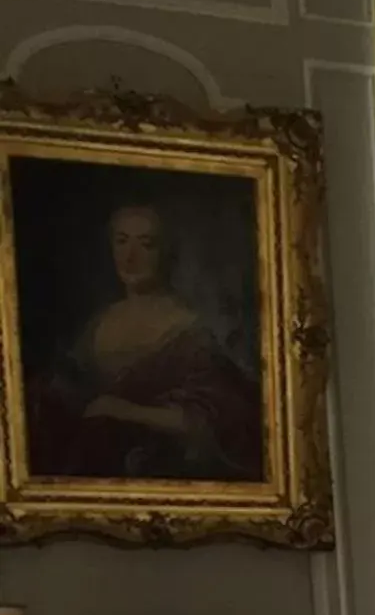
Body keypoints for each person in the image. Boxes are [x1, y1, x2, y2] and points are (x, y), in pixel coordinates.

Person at [26, 201, 262, 481]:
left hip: (158, 474)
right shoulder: (100, 322)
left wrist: (125, 411)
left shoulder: (189, 329)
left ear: (167, 253)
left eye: (146, 244)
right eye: (121, 242)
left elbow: (210, 424)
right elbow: (68, 395)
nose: (130, 256)